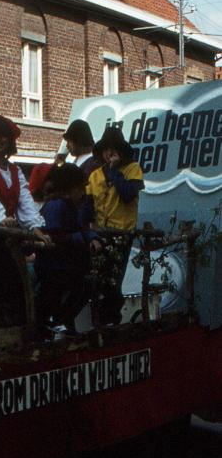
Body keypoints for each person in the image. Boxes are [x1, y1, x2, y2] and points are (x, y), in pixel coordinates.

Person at [34, 164, 101, 338]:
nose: (82, 193)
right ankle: (57, 323)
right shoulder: (56, 206)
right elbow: (55, 234)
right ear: (71, 189)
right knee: (66, 292)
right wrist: (79, 239)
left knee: (83, 287)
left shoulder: (69, 206)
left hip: (65, 265)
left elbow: (80, 228)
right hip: (54, 266)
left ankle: (62, 323)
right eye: (80, 189)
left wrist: (92, 237)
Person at [87, 126, 145, 325]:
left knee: (113, 280)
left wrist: (114, 172)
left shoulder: (132, 169)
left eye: (114, 149)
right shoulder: (94, 175)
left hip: (120, 233)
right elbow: (87, 205)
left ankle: (112, 320)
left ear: (121, 151)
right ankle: (100, 322)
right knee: (97, 280)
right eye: (106, 150)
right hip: (99, 234)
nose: (110, 153)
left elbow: (128, 194)